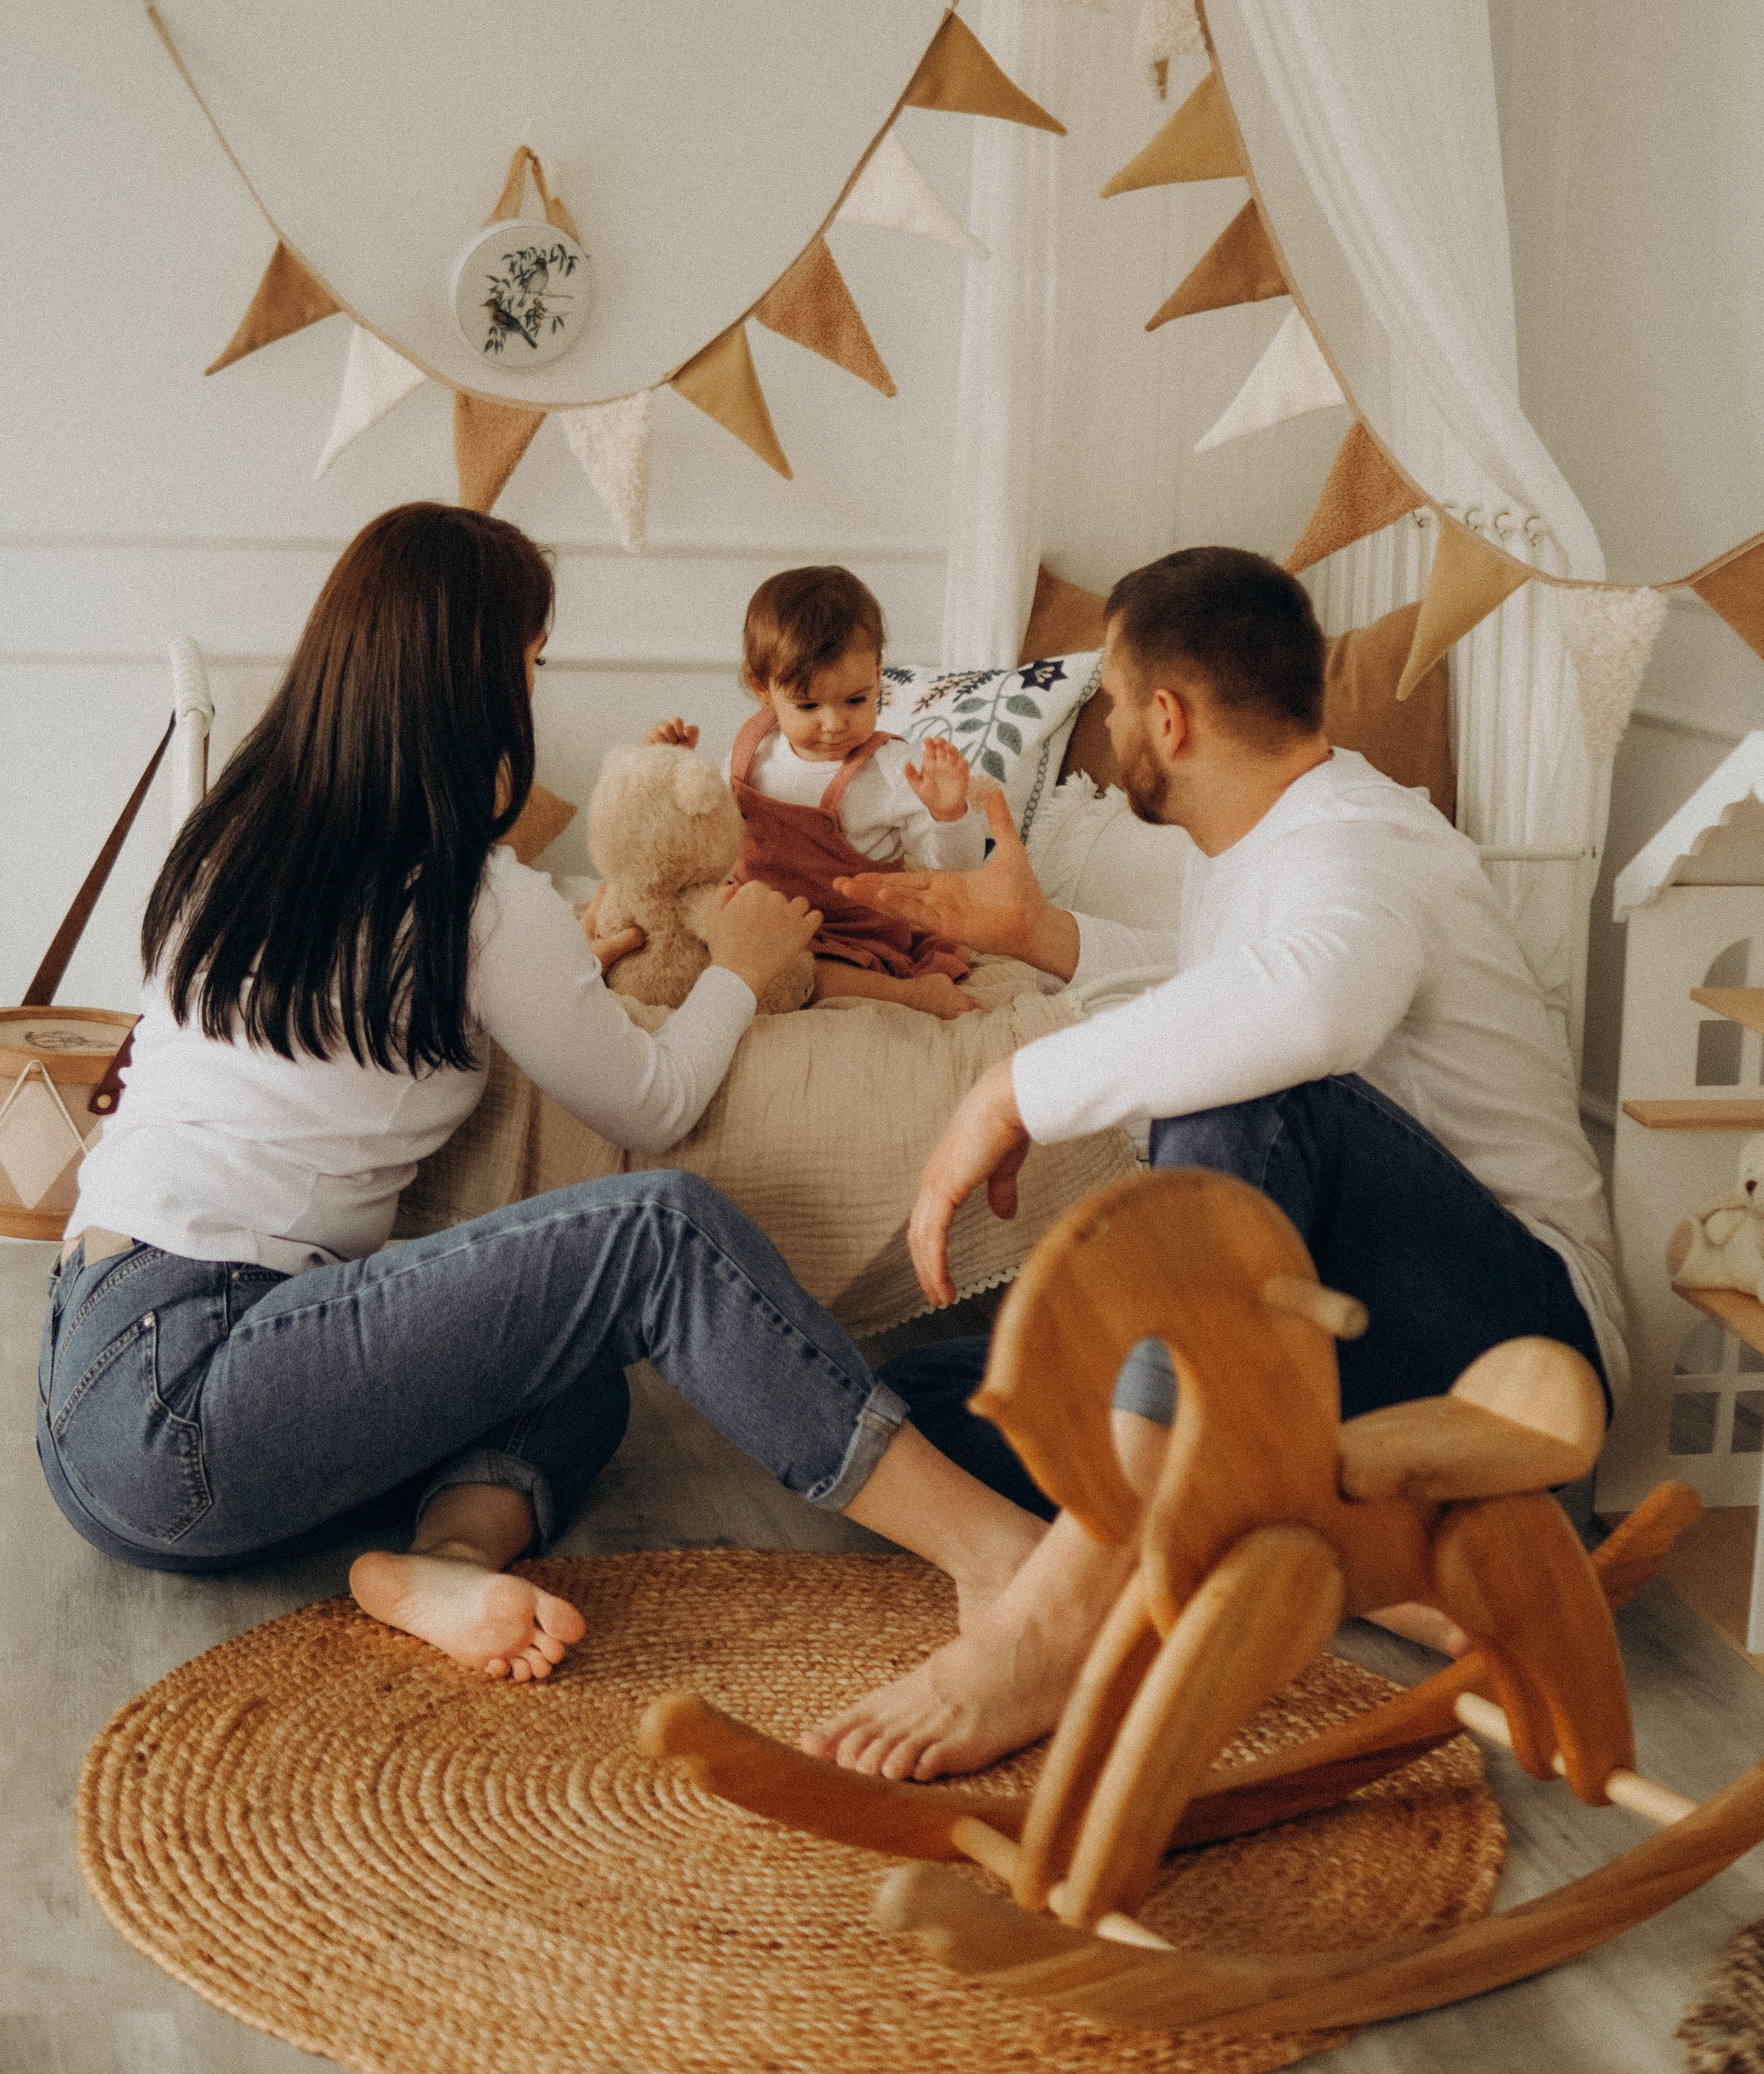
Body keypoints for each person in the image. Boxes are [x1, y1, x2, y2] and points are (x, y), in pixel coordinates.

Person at [39, 505, 1044, 1684]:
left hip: (92, 1395)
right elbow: (653, 1105)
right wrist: (739, 971)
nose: (531, 684)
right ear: (475, 680)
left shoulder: (234, 840)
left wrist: (579, 959)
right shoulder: (476, 896)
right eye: (532, 659)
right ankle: (999, 1556)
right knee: (656, 1231)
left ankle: (447, 1559)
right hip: (197, 1386)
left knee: (578, 1382)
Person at [799, 545, 1628, 1780]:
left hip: (1519, 1350)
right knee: (943, 1398)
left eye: (1118, 706)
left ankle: (1061, 1614)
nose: (1114, 729)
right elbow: (1222, 988)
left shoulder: (1359, 846)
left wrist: (1011, 1086)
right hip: (1350, 1356)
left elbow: (1308, 1015)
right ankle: (1365, 1562)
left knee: (1254, 1099)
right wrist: (1044, 936)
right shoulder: (1261, 852)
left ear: (1167, 720)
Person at [644, 563, 984, 1019]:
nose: (835, 723)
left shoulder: (886, 773)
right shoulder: (750, 750)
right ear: (763, 689)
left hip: (844, 935)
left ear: (878, 674)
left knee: (803, 971)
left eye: (856, 700)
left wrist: (949, 814)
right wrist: (673, 767)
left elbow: (958, 868)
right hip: (758, 916)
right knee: (676, 937)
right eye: (808, 706)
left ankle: (919, 996)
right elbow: (712, 839)